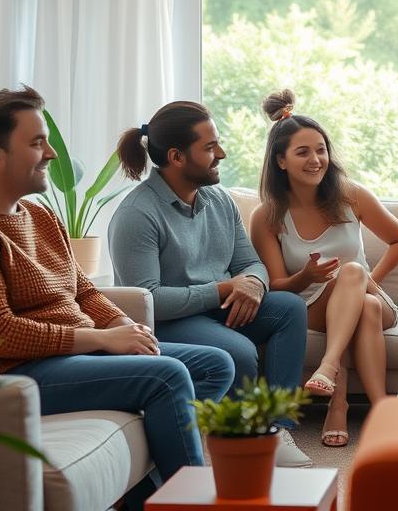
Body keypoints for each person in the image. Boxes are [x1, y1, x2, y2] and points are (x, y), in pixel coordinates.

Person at [0, 87, 234, 507]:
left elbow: (83, 289)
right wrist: (104, 341)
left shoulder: (39, 215)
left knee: (214, 364)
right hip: (21, 371)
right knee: (166, 376)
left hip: (76, 355)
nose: (52, 153)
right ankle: (191, 502)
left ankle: (148, 494)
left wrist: (124, 327)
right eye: (37, 142)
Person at [108, 100, 312, 467]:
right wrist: (221, 290)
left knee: (290, 309)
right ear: (176, 157)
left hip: (217, 307)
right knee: (237, 351)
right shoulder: (136, 216)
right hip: (171, 320)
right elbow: (147, 300)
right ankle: (237, 440)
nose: (222, 153)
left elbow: (250, 263)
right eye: (209, 147)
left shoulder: (220, 200)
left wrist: (251, 283)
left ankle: (278, 428)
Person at [249, 89, 398, 449]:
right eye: (303, 152)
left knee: (355, 279)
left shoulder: (351, 195)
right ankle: (374, 407)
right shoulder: (268, 215)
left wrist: (371, 280)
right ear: (281, 161)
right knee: (361, 306)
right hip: (309, 309)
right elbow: (276, 286)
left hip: (368, 294)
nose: (316, 159)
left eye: (321, 150)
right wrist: (306, 276)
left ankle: (330, 369)